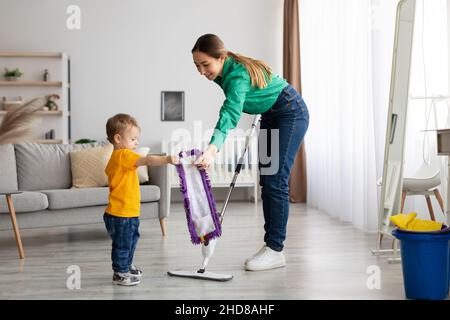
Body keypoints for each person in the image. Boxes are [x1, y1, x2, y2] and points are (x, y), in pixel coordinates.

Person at [192, 34, 309, 271]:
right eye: (197, 66)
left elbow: (230, 113)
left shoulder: (236, 75)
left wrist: (212, 149)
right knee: (266, 180)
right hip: (270, 114)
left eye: (205, 65)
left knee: (276, 181)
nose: (202, 71)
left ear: (221, 57)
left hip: (290, 113)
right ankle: (270, 247)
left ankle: (276, 250)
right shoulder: (223, 72)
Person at [104, 113, 178, 285]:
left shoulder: (117, 159)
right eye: (133, 139)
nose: (136, 143)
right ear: (118, 138)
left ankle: (126, 265)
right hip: (121, 214)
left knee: (130, 240)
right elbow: (147, 160)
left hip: (125, 212)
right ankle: (120, 273)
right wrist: (167, 159)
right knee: (123, 245)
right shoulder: (124, 155)